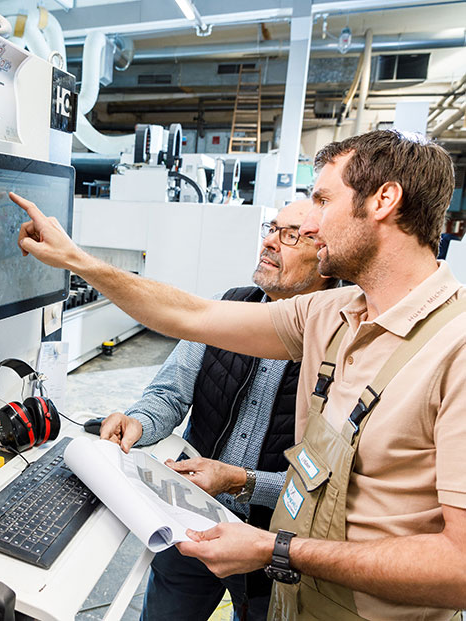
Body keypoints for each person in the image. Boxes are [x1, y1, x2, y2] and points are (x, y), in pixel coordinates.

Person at [11, 130, 466, 621]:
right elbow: (191, 316)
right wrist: (75, 259)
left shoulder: (454, 348)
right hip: (296, 600)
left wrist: (277, 547)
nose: (313, 223)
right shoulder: (333, 314)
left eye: (323, 200)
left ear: (384, 200)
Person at [99, 200, 337, 621]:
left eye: (290, 234)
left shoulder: (341, 345)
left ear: (326, 256)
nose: (268, 242)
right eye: (271, 228)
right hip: (188, 518)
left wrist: (243, 483)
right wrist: (139, 421)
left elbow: (329, 481)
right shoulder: (227, 308)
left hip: (268, 544)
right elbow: (170, 392)